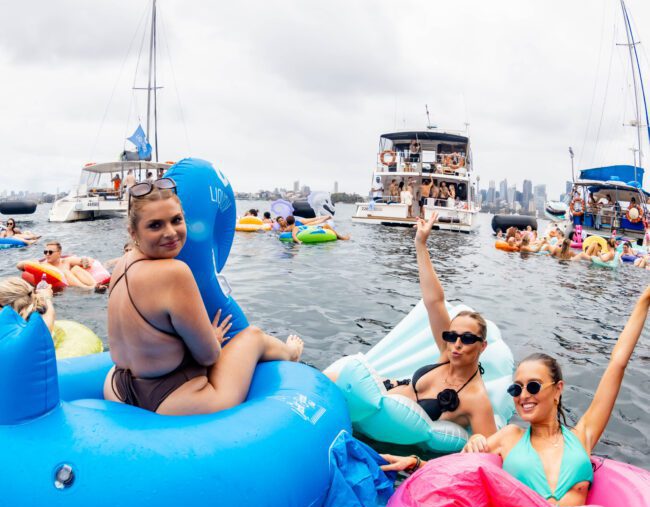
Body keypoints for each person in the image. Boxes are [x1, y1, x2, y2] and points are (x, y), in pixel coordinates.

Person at [382, 285, 650, 507]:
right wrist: (421, 460)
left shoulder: (582, 436)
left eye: (533, 386)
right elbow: (457, 476)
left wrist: (643, 302)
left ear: (557, 389)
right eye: (516, 389)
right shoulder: (509, 437)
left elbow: (617, 363)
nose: (523, 395)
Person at [104, 177, 304, 415]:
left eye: (176, 220)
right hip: (169, 400)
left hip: (118, 388)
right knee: (254, 336)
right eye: (155, 225)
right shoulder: (174, 272)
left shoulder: (121, 265)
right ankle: (291, 353)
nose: (170, 232)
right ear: (133, 231)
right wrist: (213, 337)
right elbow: (209, 356)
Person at [328, 212, 496, 437]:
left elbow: (490, 452)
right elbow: (434, 302)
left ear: (482, 346)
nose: (456, 344)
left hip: (385, 433)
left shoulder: (476, 398)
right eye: (451, 336)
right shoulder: (446, 355)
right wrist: (420, 244)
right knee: (328, 378)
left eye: (466, 339)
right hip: (377, 398)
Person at [17, 241, 104, 290]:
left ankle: (96, 285)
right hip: (61, 291)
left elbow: (83, 260)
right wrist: (31, 262)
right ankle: (87, 288)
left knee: (76, 268)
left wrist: (85, 261)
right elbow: (19, 266)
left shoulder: (65, 261)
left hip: (72, 288)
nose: (47, 254)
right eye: (45, 252)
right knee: (65, 272)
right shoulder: (42, 265)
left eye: (50, 252)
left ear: (59, 253)